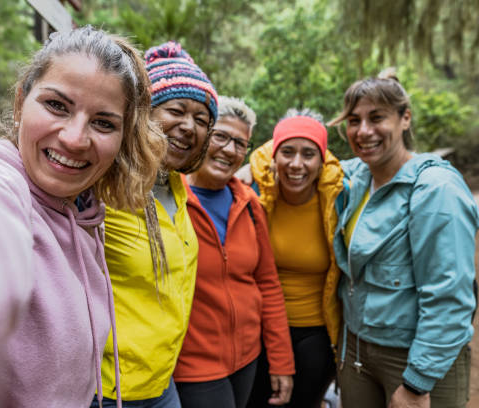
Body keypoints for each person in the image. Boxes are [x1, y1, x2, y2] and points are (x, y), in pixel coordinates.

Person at [0, 26, 164, 408]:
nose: (75, 138)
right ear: (19, 103)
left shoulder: (84, 209)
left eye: (103, 122)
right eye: (57, 106)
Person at [327, 69, 479, 408]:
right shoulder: (355, 176)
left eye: (376, 117)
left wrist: (416, 382)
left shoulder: (435, 190)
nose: (363, 131)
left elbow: (449, 295)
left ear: (405, 119)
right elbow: (303, 157)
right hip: (356, 350)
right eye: (354, 120)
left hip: (413, 359)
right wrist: (250, 168)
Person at [95, 41, 218, 408]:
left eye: (202, 119)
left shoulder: (176, 187)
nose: (188, 126)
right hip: (106, 390)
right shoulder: (101, 182)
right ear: (143, 112)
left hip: (161, 384)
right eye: (177, 110)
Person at [172, 97, 295, 408]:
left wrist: (281, 362)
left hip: (247, 359)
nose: (229, 150)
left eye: (240, 143)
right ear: (201, 136)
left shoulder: (249, 203)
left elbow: (267, 283)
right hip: (192, 365)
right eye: (221, 137)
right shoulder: (170, 200)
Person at [245, 109, 344, 408]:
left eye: (308, 154)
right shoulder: (256, 195)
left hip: (316, 332)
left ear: (322, 160)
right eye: (287, 152)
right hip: (260, 329)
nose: (296, 164)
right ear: (273, 157)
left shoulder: (338, 200)